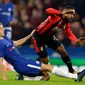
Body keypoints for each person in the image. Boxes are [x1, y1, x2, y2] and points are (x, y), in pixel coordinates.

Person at [0, 23, 85, 81]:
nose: (3, 29)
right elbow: (0, 62)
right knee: (49, 67)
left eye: (3, 27)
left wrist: (30, 35)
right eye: (1, 28)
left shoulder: (4, 40)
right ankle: (75, 76)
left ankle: (22, 79)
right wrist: (4, 79)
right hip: (22, 64)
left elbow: (17, 43)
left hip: (24, 61)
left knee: (46, 76)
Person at [32, 6, 84, 73]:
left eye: (73, 14)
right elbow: (48, 10)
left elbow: (69, 34)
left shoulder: (66, 23)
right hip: (38, 37)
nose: (72, 16)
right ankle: (35, 67)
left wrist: (76, 40)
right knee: (45, 61)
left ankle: (71, 70)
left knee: (62, 51)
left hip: (49, 37)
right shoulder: (55, 16)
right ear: (65, 13)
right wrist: (61, 13)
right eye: (70, 13)